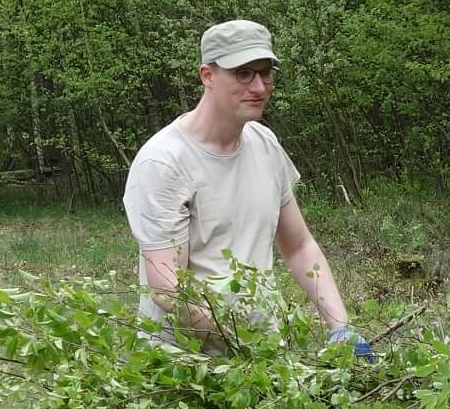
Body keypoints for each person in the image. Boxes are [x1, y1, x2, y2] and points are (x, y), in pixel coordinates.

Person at [123, 19, 368, 354]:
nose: (260, 87)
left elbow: (298, 246)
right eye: (244, 74)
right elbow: (168, 289)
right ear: (207, 76)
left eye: (266, 73)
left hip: (261, 352)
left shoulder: (264, 144)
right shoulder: (165, 163)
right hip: (183, 367)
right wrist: (243, 348)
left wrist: (340, 326)